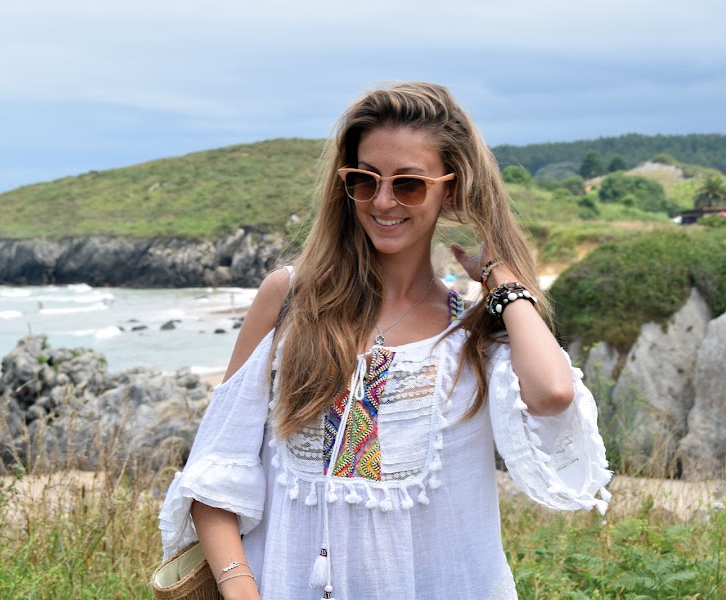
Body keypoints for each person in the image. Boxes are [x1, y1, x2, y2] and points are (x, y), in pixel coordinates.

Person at [158, 82, 611, 599]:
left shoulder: (473, 333)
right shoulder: (289, 301)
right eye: (364, 180)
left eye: (409, 184)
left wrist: (500, 277)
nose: (383, 201)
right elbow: (216, 471)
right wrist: (241, 589)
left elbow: (552, 394)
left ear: (453, 190)